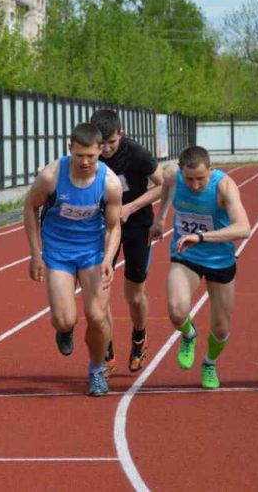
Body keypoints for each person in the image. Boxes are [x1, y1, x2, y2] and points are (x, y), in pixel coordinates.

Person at [23, 122, 122, 396]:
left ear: (100, 151)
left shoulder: (110, 183)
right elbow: (30, 208)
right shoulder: (51, 176)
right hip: (57, 253)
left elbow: (114, 227)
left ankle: (96, 370)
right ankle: (64, 330)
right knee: (66, 320)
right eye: (79, 156)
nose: (85, 162)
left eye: (91, 156)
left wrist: (108, 258)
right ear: (70, 150)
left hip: (92, 252)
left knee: (97, 315)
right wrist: (35, 253)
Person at [151, 146, 251, 390]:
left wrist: (202, 237)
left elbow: (244, 228)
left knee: (221, 326)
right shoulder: (173, 176)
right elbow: (166, 188)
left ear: (210, 170)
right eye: (190, 179)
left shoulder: (224, 186)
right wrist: (160, 218)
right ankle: (189, 335)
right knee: (176, 310)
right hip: (185, 254)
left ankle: (209, 363)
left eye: (201, 179)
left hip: (220, 260)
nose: (195, 185)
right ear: (182, 172)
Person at [90, 109, 163, 375]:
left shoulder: (137, 154)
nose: (106, 149)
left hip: (136, 225)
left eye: (112, 142)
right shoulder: (90, 154)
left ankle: (139, 338)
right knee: (101, 292)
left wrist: (131, 207)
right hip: (103, 226)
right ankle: (106, 352)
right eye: (102, 143)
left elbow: (163, 184)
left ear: (122, 133)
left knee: (133, 295)